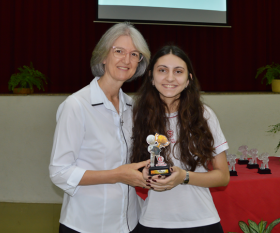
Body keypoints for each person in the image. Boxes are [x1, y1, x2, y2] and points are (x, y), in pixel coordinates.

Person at [49, 23, 151, 233]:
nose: (127, 60)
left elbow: (128, 162)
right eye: (119, 51)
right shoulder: (76, 105)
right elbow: (59, 172)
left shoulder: (132, 106)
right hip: (88, 224)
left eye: (134, 54)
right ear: (104, 56)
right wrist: (116, 175)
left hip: (130, 222)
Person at [131, 45, 230, 233]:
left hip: (201, 221)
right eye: (162, 70)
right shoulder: (137, 117)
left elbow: (223, 177)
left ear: (188, 80)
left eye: (178, 71)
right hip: (153, 221)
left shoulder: (204, 116)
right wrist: (142, 177)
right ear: (151, 77)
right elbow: (129, 169)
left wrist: (183, 177)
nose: (170, 78)